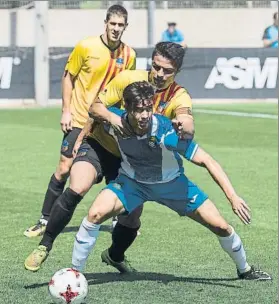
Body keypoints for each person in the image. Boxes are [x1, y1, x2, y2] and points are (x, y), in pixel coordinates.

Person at [71, 81, 271, 281]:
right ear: (128, 108)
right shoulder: (115, 121)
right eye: (139, 110)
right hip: (132, 184)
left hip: (173, 186)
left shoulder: (164, 131)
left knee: (221, 227)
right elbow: (95, 112)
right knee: (94, 214)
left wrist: (232, 197)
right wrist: (81, 138)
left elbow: (207, 160)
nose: (145, 116)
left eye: (148, 108)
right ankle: (74, 274)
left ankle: (245, 270)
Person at [24, 42, 194, 272]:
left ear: (177, 71)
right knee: (77, 186)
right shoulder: (129, 79)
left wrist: (185, 127)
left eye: (167, 70)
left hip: (130, 162)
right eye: (156, 67)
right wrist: (112, 119)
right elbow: (95, 107)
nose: (160, 74)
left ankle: (115, 256)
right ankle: (45, 245)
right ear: (151, 63)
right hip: (99, 146)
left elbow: (185, 118)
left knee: (132, 217)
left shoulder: (178, 96)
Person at [23, 4, 136, 238]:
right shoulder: (86, 46)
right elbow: (68, 77)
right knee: (64, 168)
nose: (116, 29)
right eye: (112, 24)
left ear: (126, 27)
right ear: (105, 23)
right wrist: (66, 110)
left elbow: (127, 88)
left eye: (120, 25)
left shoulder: (129, 55)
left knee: (118, 170)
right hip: (79, 118)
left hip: (108, 122)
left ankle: (118, 219)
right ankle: (44, 219)